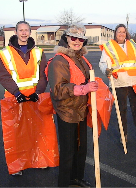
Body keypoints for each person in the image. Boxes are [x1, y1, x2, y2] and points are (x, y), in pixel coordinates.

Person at [46, 23, 98, 188]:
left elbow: (88, 79)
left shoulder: (81, 58)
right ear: (66, 39)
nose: (77, 41)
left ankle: (76, 179)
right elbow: (57, 90)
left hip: (81, 110)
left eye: (81, 38)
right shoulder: (59, 61)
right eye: (73, 38)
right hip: (67, 111)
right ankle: (64, 183)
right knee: (68, 152)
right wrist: (83, 88)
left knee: (81, 149)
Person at [0, 21, 52, 175]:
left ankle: (40, 159)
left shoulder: (39, 52)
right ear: (15, 32)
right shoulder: (5, 53)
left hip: (35, 97)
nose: (23, 33)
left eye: (26, 30)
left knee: (39, 130)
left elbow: (43, 74)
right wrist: (17, 93)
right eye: (21, 30)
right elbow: (3, 76)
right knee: (17, 133)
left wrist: (39, 92)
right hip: (15, 98)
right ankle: (18, 165)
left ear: (30, 32)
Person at [99, 23, 136, 144]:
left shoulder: (132, 45)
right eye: (119, 32)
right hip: (119, 82)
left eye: (123, 32)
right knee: (121, 111)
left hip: (135, 82)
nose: (121, 34)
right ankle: (124, 136)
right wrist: (106, 70)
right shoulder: (109, 47)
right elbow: (103, 63)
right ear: (115, 33)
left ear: (126, 33)